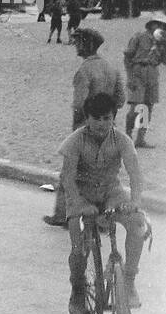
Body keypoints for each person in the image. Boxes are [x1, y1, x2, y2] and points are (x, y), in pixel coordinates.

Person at [59, 93, 148, 314]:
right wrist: (79, 204)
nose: (101, 123)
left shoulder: (122, 140)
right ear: (87, 118)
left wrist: (134, 202)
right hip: (81, 195)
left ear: (113, 118)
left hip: (111, 192)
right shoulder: (74, 141)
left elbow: (135, 176)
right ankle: (78, 292)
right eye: (96, 118)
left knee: (138, 225)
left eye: (106, 118)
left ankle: (128, 281)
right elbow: (67, 179)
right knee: (78, 246)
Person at [44, 28, 126, 227]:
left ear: (86, 44)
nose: (75, 45)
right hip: (107, 129)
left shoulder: (84, 70)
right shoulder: (112, 68)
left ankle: (63, 215)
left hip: (85, 127)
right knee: (104, 175)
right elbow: (121, 100)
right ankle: (103, 221)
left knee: (70, 173)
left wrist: (79, 126)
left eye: (78, 42)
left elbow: (79, 104)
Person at [122, 17, 166, 148]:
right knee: (136, 107)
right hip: (138, 72)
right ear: (150, 24)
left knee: (148, 107)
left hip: (153, 74)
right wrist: (130, 77)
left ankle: (140, 138)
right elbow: (127, 57)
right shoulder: (138, 37)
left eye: (163, 26)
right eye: (158, 24)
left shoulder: (161, 40)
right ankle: (127, 136)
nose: (160, 27)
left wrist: (164, 46)